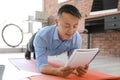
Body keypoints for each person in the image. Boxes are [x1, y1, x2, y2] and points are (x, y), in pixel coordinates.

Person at [25, 4, 88, 77]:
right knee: (31, 48)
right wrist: (56, 71)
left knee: (37, 55)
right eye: (67, 26)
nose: (71, 31)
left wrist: (78, 69)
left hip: (49, 47)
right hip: (37, 37)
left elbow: (73, 63)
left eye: (75, 26)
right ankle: (28, 49)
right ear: (57, 22)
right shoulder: (41, 37)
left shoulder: (77, 39)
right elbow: (41, 66)